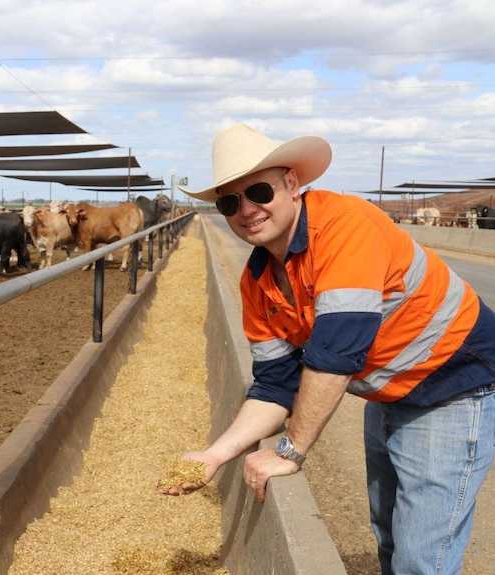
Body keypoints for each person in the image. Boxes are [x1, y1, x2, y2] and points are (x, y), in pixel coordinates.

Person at [159, 123, 495, 575]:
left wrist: (290, 450)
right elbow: (276, 386)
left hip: (450, 385)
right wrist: (214, 456)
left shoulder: (343, 227)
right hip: (389, 391)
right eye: (229, 201)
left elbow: (335, 357)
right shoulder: (257, 280)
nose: (247, 210)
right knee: (390, 534)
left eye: (259, 190)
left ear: (293, 184)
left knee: (423, 558)